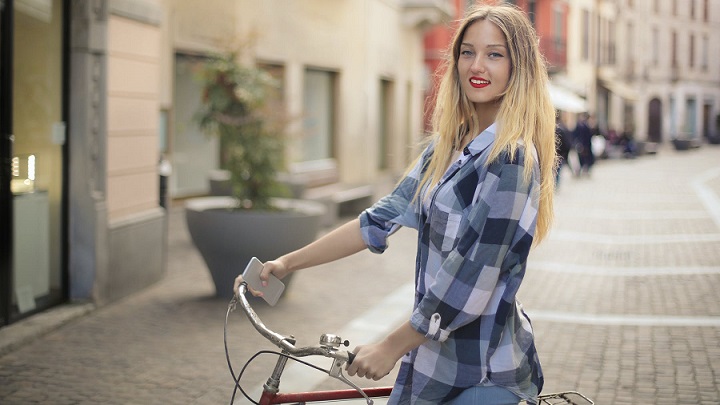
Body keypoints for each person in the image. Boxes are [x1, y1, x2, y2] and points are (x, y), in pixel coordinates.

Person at [235, 4, 556, 404]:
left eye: (495, 54)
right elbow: (379, 219)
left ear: (518, 67)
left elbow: (470, 277)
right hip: (430, 359)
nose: (477, 65)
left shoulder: (512, 159)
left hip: (483, 370)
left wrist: (390, 345)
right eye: (467, 51)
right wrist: (286, 263)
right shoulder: (447, 146)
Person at [555, 113, 572, 185]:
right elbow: (566, 143)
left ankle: (555, 183)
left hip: (556, 153)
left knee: (555, 169)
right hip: (560, 153)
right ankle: (556, 183)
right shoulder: (563, 129)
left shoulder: (553, 129)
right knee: (558, 170)